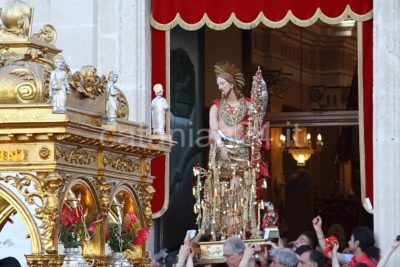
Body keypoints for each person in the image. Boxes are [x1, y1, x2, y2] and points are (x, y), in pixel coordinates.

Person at [312, 215, 380, 267]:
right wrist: (318, 229)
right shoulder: (351, 258)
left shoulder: (368, 264)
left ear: (356, 243)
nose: (348, 242)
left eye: (351, 239)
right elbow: (326, 251)